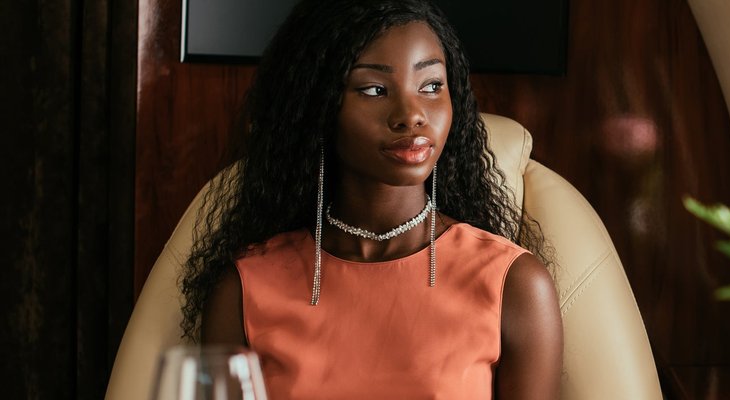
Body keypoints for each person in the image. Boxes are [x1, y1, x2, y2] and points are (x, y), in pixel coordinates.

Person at [180, 0, 563, 398]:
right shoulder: (243, 289)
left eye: (431, 86)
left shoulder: (513, 285)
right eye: (374, 89)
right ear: (317, 107)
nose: (411, 115)